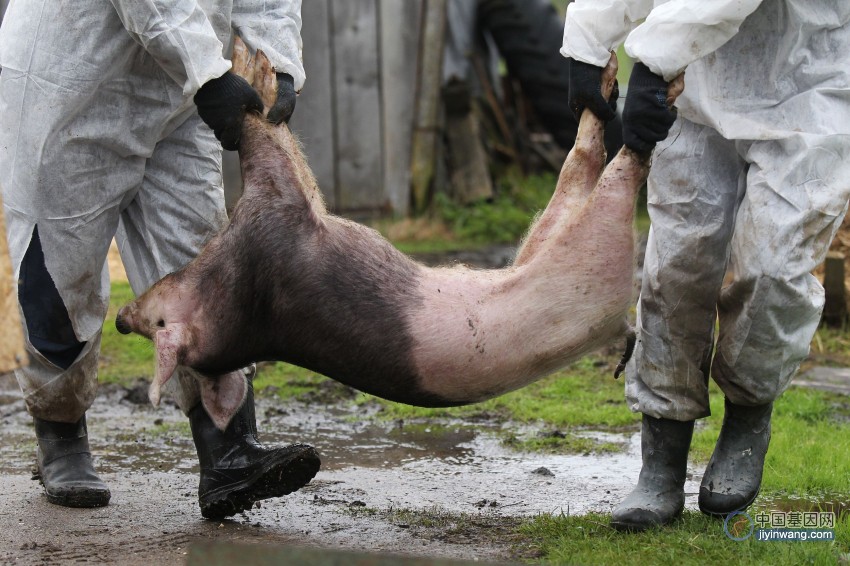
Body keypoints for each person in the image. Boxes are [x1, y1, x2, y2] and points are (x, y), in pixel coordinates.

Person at [0, 0, 320, 520]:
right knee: (60, 268)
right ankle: (59, 434)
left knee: (201, 258)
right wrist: (206, 71)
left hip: (181, 89)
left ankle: (228, 448)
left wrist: (276, 58)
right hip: (69, 79)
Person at [561, 1, 850, 531]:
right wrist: (587, 37)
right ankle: (662, 458)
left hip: (814, 87)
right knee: (678, 265)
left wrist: (649, 61)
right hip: (698, 88)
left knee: (773, 267)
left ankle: (748, 412)